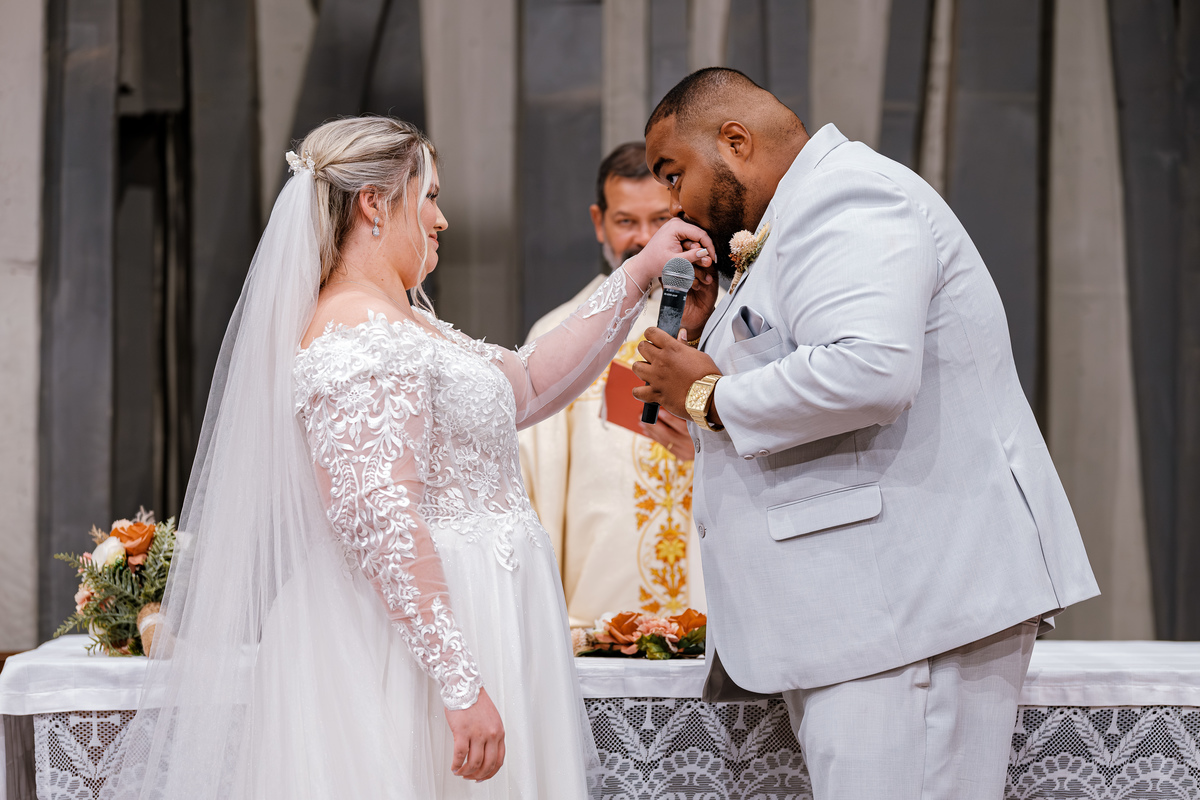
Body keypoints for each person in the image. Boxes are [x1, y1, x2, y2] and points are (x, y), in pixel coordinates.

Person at [101, 117, 714, 799]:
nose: (441, 218)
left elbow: (534, 383)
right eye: (428, 196)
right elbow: (378, 515)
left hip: (481, 611)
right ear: (373, 203)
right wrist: (458, 680)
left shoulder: (404, 322)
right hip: (418, 643)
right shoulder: (358, 332)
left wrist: (639, 273)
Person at [633, 68, 1099, 800]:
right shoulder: (799, 217)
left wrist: (706, 391)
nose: (672, 201)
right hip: (869, 612)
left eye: (674, 173)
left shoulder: (848, 198)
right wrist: (706, 341)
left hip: (906, 605)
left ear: (734, 140)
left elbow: (871, 370)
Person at [519, 142, 706, 628]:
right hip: (598, 603)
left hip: (712, 594)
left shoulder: (725, 320)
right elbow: (534, 481)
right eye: (626, 222)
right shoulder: (558, 335)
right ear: (599, 222)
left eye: (660, 222)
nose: (645, 239)